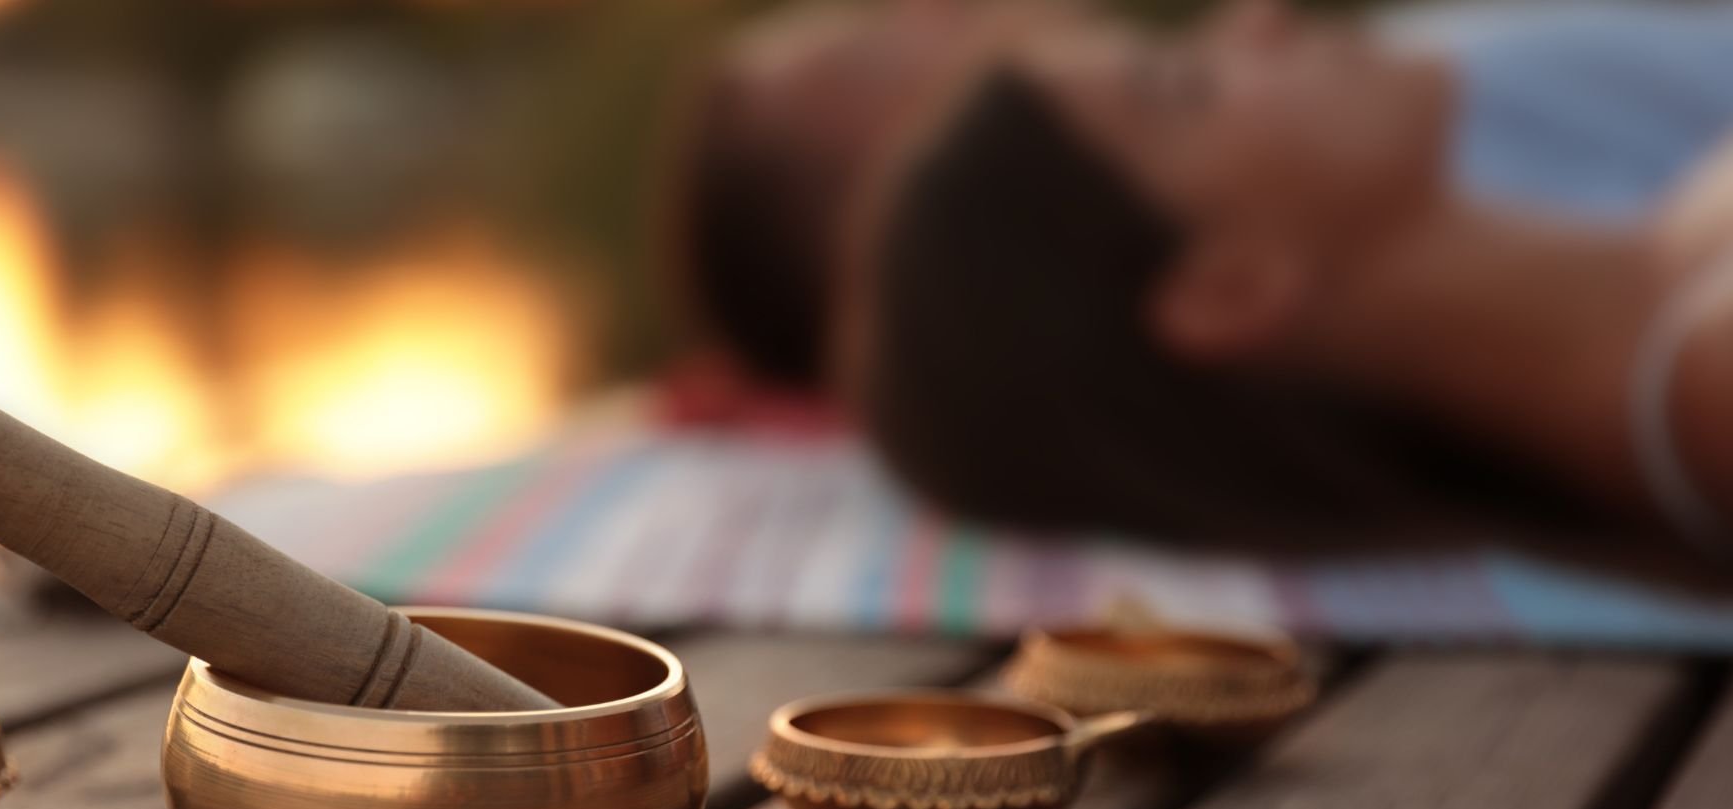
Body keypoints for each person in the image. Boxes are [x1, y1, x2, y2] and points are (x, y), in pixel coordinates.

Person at [674, 0, 1733, 562]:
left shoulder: (1685, 250)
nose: (1259, 18)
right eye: (1185, 84)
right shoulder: (1708, 381)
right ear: (1229, 286)